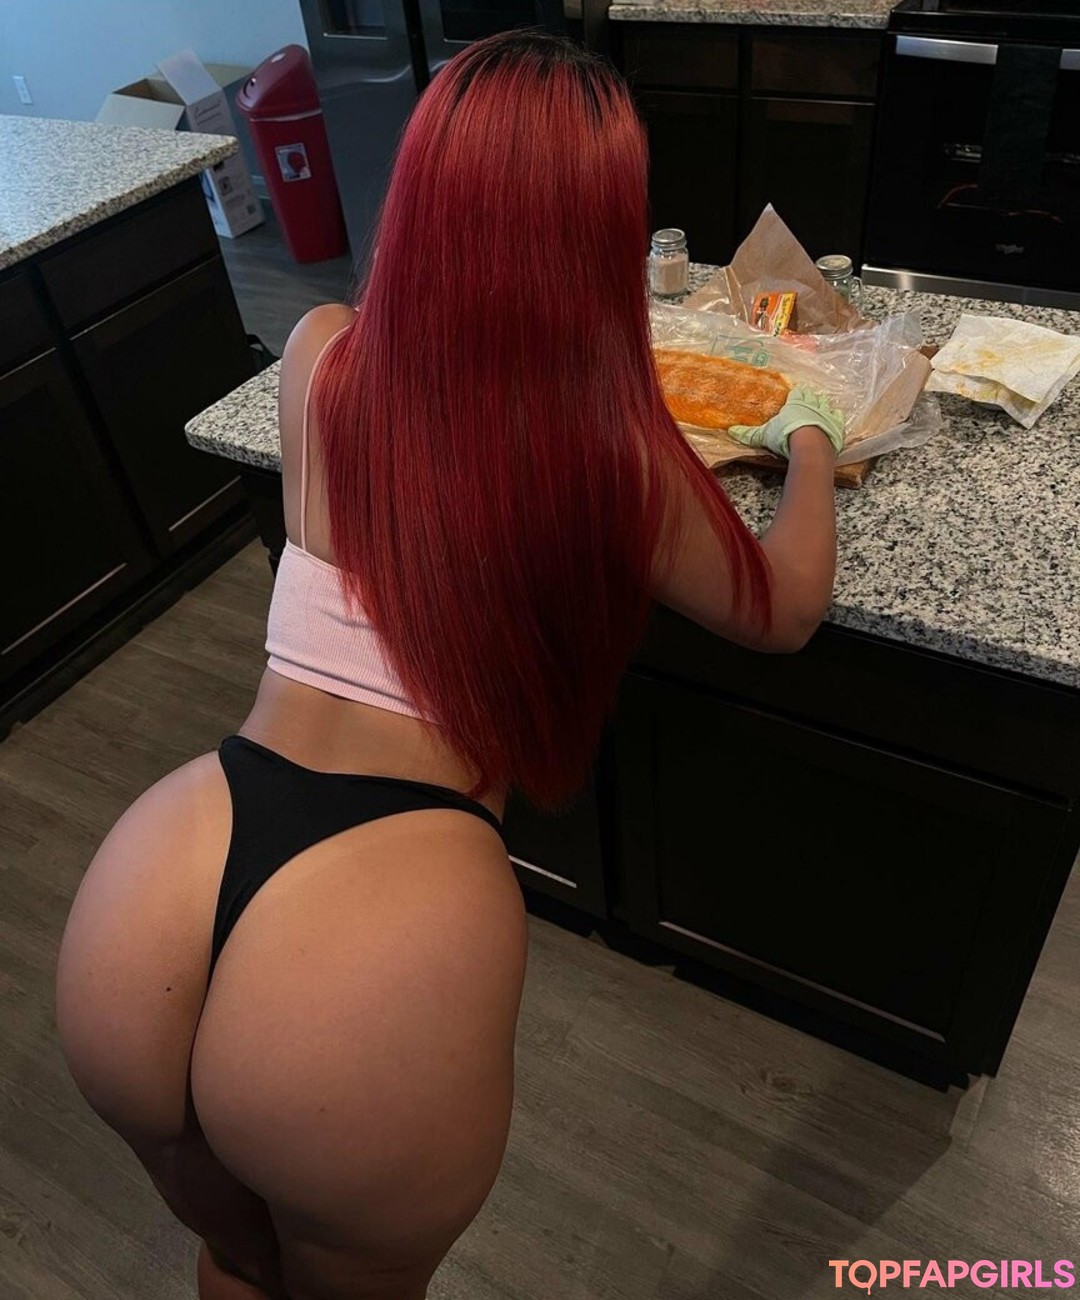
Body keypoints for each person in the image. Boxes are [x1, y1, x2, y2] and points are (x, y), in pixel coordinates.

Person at [53, 28, 844, 1300]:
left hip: (155, 889)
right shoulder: (610, 453)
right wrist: (811, 439)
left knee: (235, 1262)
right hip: (368, 937)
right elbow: (785, 608)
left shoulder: (320, 354)